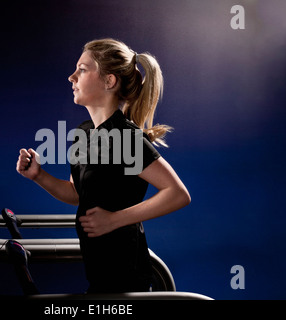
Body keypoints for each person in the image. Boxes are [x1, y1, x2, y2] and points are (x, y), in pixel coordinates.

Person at [16, 38, 190, 293]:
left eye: (82, 69)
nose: (71, 77)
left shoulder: (125, 137)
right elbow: (77, 194)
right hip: (98, 276)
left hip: (127, 281)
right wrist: (39, 176)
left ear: (109, 81)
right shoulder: (83, 134)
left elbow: (177, 194)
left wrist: (114, 220)